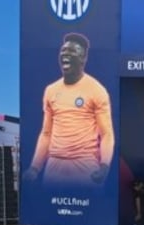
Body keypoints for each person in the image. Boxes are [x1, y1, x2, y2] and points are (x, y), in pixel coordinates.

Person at [24, 32, 114, 187]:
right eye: (63, 51)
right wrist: (35, 167)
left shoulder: (96, 90)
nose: (66, 54)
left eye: (72, 52)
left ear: (83, 58)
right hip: (54, 167)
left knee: (87, 210)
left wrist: (104, 166)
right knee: (51, 210)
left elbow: (106, 134)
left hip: (85, 165)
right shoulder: (51, 90)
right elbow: (46, 133)